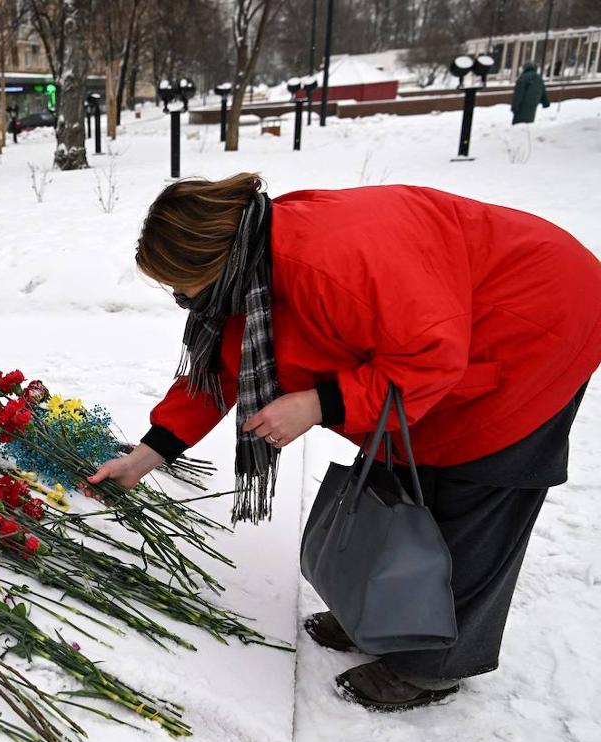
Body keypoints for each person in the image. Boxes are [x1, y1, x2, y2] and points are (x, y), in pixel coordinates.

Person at [89, 174, 601, 711]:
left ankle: (431, 666)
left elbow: (430, 355)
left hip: (535, 325)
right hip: (441, 340)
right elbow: (224, 368)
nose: (183, 301)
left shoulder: (332, 260)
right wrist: (146, 456)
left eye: (182, 288)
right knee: (402, 484)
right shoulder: (252, 266)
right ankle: (389, 612)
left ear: (212, 259)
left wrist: (319, 403)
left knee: (475, 497)